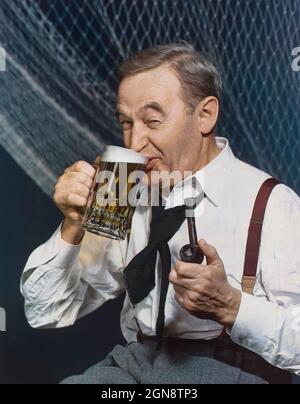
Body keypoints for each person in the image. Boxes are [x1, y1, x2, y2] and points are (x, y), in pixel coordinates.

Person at [21, 42, 300, 384]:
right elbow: (45, 310)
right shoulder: (125, 194)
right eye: (126, 122)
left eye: (152, 120)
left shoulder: (272, 203)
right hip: (136, 365)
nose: (135, 141)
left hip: (233, 369)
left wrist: (231, 306)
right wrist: (73, 226)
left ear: (205, 115)